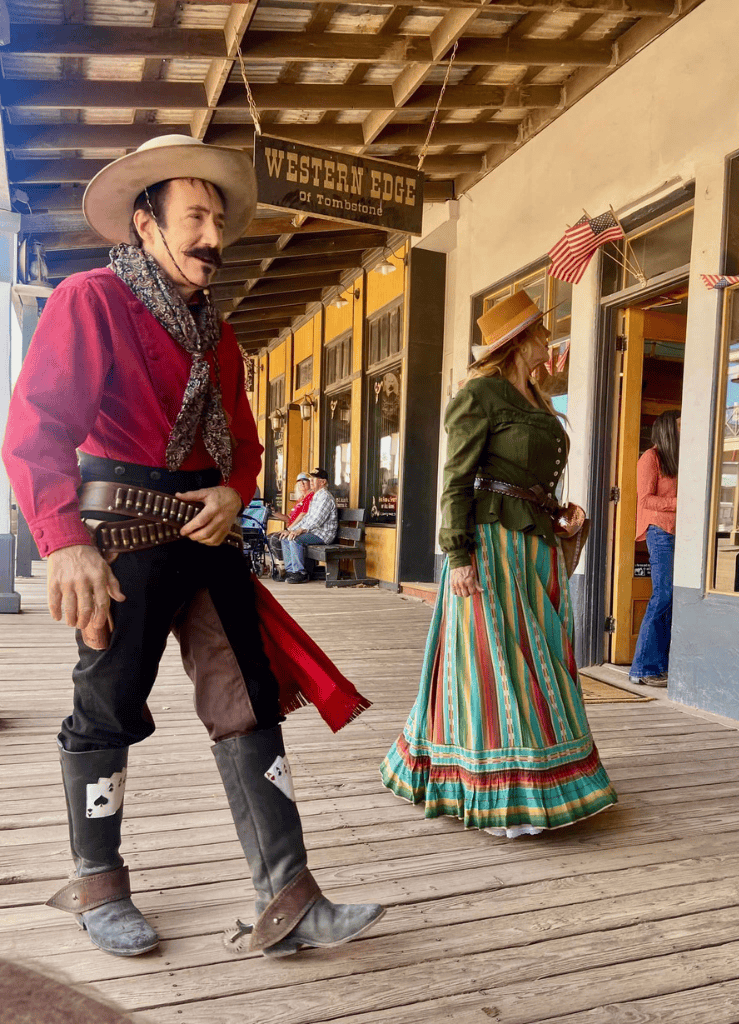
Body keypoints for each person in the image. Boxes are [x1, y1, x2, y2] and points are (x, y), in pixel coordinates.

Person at [2, 135, 384, 958]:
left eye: (218, 221)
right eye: (195, 218)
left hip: (209, 535)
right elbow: (36, 430)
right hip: (121, 537)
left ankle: (288, 896)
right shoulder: (90, 299)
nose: (213, 237)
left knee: (248, 694)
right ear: (147, 224)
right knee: (107, 701)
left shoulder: (223, 336)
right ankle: (97, 882)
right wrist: (64, 543)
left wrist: (236, 491)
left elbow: (244, 446)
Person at [380, 290, 617, 838]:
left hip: (532, 544)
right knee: (497, 663)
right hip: (490, 546)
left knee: (541, 656)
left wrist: (556, 512)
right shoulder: (479, 395)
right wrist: (458, 555)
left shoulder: (536, 396)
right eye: (540, 331)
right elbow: (456, 481)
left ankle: (543, 777)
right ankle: (497, 788)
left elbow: (527, 477)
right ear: (518, 341)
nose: (548, 338)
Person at [629, 410, 680, 687]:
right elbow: (645, 500)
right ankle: (642, 669)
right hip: (660, 532)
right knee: (663, 596)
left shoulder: (678, 458)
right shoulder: (650, 458)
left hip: (681, 535)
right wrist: (679, 502)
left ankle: (658, 667)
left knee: (671, 599)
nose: (685, 430)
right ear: (668, 429)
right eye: (680, 426)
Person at [281, 468, 338, 584]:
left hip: (323, 534)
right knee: (285, 538)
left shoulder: (325, 497)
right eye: (310, 479)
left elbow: (317, 520)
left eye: (313, 479)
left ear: (323, 482)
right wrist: (290, 529)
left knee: (295, 539)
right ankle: (291, 571)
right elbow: (307, 518)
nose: (310, 481)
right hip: (313, 532)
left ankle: (300, 573)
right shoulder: (316, 496)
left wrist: (300, 530)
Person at [268, 471, 314, 570]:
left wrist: (289, 529)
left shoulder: (310, 496)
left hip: (300, 530)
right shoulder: (300, 499)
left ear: (310, 482)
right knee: (270, 537)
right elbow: (288, 518)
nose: (301, 483)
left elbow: (303, 515)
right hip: (292, 528)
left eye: (304, 481)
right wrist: (274, 512)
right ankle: (283, 565)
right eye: (299, 481)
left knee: (275, 539)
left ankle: (285, 566)